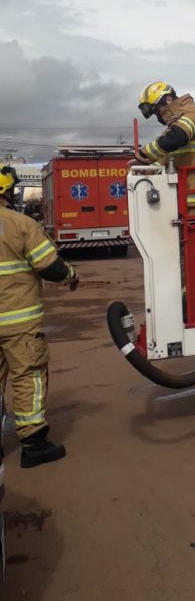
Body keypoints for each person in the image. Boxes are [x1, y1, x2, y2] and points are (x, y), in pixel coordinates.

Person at [0, 167, 79, 468]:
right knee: (28, 376)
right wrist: (71, 275)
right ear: (7, 192)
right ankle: (34, 445)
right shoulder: (21, 224)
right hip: (18, 322)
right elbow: (51, 267)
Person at [136, 82, 195, 213]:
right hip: (184, 190)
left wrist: (143, 154)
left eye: (157, 110)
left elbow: (177, 138)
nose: (158, 115)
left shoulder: (191, 112)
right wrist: (147, 168)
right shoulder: (177, 120)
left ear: (168, 99)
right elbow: (171, 153)